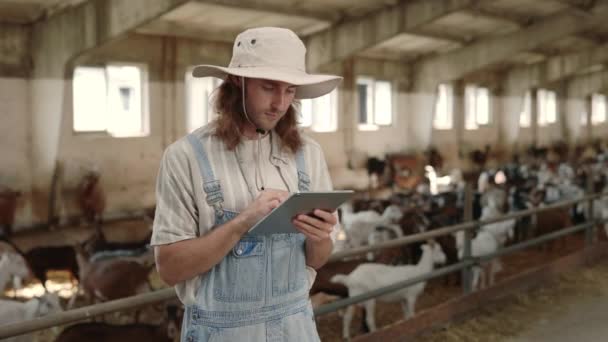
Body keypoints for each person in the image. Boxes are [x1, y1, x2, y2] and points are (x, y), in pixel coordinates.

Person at [151, 27, 343, 341]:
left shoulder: (309, 155)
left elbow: (317, 259)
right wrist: (242, 222)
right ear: (237, 82)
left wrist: (320, 237)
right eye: (269, 87)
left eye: (290, 90)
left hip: (296, 325)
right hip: (222, 331)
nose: (280, 104)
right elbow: (170, 269)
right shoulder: (186, 157)